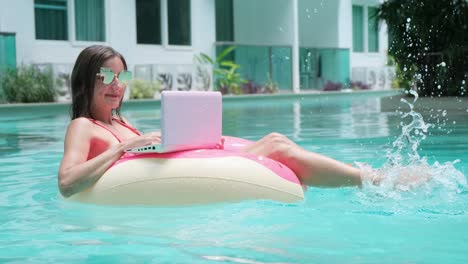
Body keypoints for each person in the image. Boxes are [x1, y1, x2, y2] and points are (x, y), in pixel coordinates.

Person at [58, 45, 364, 198]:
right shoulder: (83, 126)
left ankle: (362, 177)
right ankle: (368, 180)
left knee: (275, 140)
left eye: (122, 76)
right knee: (277, 147)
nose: (117, 85)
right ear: (86, 82)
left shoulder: (121, 121)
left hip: (183, 165)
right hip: (170, 178)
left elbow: (144, 153)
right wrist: (124, 147)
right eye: (107, 76)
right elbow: (67, 183)